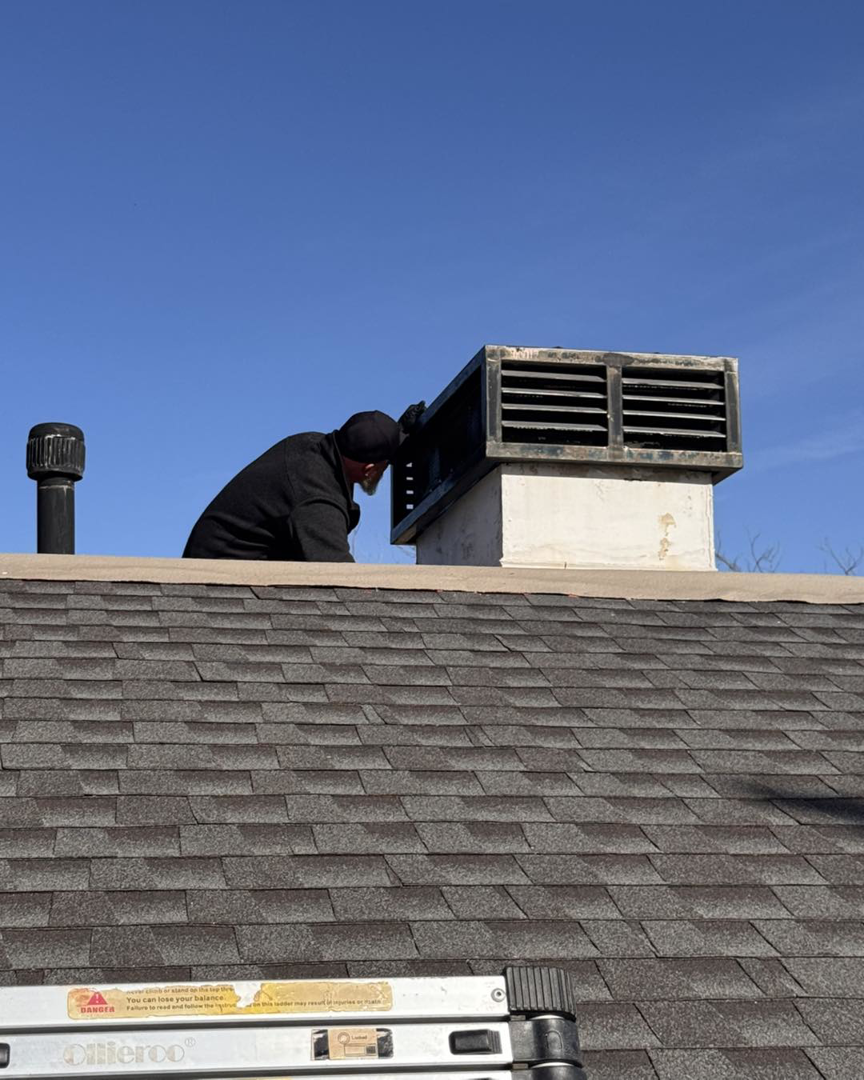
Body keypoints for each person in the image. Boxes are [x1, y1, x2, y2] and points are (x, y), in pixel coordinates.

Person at [182, 403, 425, 562]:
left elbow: (366, 439)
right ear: (368, 469)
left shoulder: (312, 444)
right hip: (219, 584)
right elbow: (342, 578)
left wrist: (398, 433)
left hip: (215, 555)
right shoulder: (316, 501)